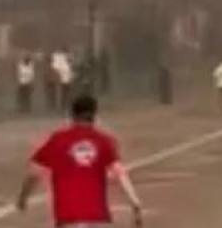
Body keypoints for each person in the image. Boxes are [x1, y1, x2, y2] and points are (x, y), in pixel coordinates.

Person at [17, 94, 144, 227]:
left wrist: (23, 197)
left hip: (67, 215)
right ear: (94, 115)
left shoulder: (58, 139)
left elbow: (34, 173)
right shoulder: (104, 141)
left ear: (72, 115)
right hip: (96, 216)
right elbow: (120, 173)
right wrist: (134, 202)